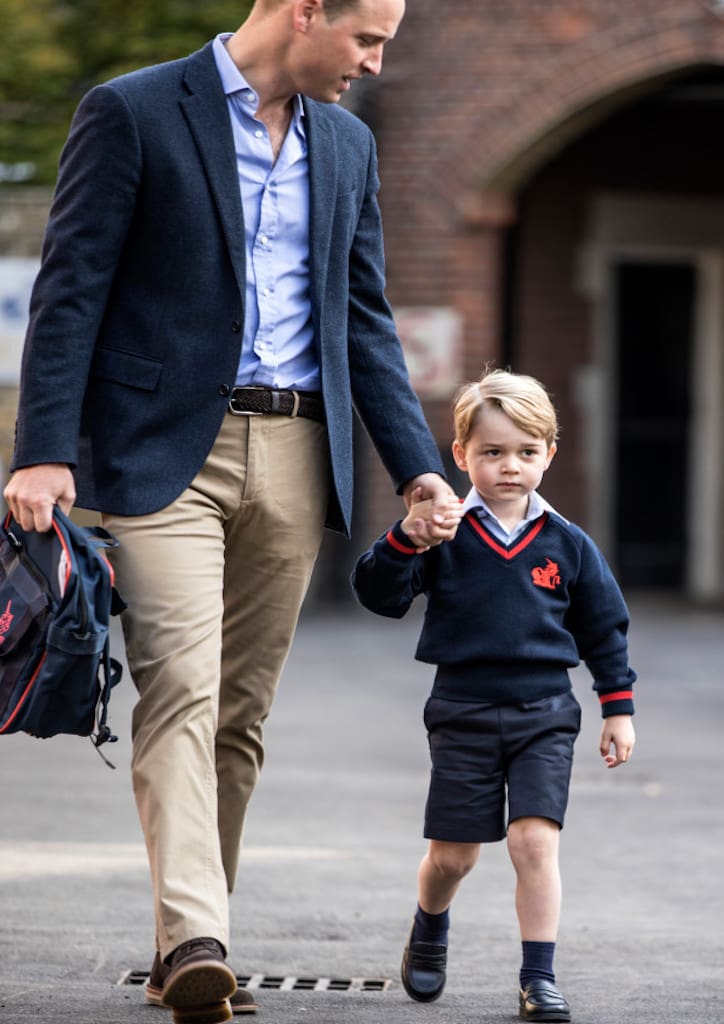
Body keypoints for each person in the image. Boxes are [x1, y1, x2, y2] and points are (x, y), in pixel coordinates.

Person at [3, 2, 460, 1022]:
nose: (376, 63)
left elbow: (365, 318)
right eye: (367, 39)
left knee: (240, 718)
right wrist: (40, 449)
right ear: (302, 12)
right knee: (182, 689)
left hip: (299, 453)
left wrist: (417, 467)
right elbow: (70, 290)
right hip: (163, 453)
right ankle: (203, 934)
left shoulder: (347, 141)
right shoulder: (132, 111)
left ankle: (179, 940)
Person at [351, 368, 637, 1023]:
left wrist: (617, 707)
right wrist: (404, 539)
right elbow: (378, 594)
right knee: (453, 858)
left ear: (549, 454)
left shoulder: (569, 545)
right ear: (461, 456)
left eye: (526, 452)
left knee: (534, 844)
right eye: (492, 452)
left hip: (546, 714)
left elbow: (604, 628)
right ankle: (430, 922)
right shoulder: (445, 532)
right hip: (463, 710)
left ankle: (539, 978)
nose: (510, 466)